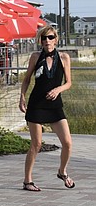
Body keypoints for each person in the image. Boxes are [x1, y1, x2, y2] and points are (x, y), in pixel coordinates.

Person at [19, 25, 74, 191]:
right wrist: (22, 96)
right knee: (36, 144)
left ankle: (62, 171)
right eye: (44, 38)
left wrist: (58, 90)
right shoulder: (35, 57)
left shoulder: (64, 57)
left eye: (50, 37)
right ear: (40, 41)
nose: (47, 41)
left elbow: (69, 83)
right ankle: (27, 181)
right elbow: (27, 79)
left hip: (55, 106)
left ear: (56, 40)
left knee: (67, 143)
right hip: (37, 105)